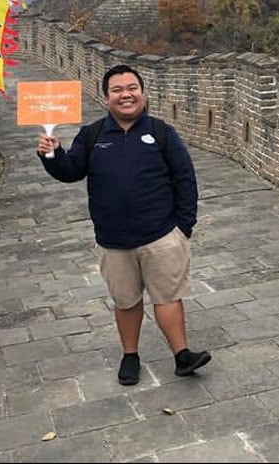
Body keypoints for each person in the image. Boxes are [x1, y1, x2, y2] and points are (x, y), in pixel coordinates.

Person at [36, 64, 210, 385]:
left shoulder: (161, 132)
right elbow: (70, 171)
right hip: (113, 240)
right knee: (126, 301)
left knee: (168, 297)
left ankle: (182, 355)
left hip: (161, 235)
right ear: (106, 97)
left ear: (142, 93)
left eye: (132, 88)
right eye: (117, 90)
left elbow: (185, 178)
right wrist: (52, 155)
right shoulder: (93, 135)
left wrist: (183, 228)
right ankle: (130, 356)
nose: (126, 95)